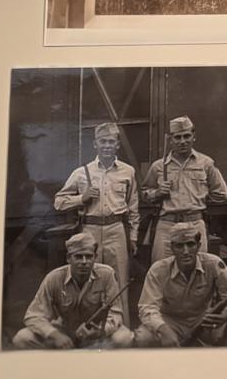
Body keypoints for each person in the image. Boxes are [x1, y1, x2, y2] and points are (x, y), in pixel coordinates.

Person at [54, 122, 139, 325]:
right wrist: (81, 199)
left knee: (118, 281)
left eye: (111, 141)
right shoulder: (82, 172)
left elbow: (133, 208)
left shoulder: (128, 172)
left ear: (118, 144)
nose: (107, 146)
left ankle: (120, 329)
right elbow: (58, 202)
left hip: (117, 229)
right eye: (103, 141)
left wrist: (133, 237)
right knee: (89, 279)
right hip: (90, 230)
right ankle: (87, 330)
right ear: (95, 144)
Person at [134, 223, 227, 347]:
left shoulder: (213, 263)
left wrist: (226, 314)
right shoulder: (158, 270)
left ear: (199, 246)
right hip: (170, 322)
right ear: (172, 248)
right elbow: (147, 307)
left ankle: (224, 357)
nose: (185, 251)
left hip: (203, 320)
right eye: (179, 246)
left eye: (190, 244)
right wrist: (163, 329)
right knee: (143, 337)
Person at [12, 233, 134, 349]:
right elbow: (33, 315)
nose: (84, 262)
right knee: (22, 338)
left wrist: (100, 331)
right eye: (78, 257)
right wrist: (54, 335)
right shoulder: (54, 278)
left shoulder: (106, 275)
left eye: (89, 256)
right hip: (65, 332)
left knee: (124, 338)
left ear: (95, 258)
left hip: (94, 333)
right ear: (68, 258)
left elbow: (116, 313)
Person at [141, 115, 227, 262]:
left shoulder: (205, 163)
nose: (183, 141)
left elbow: (221, 194)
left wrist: (199, 197)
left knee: (197, 267)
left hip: (194, 224)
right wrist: (157, 193)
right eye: (178, 137)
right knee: (162, 268)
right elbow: (144, 194)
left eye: (187, 136)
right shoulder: (158, 166)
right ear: (170, 140)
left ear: (194, 137)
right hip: (166, 225)